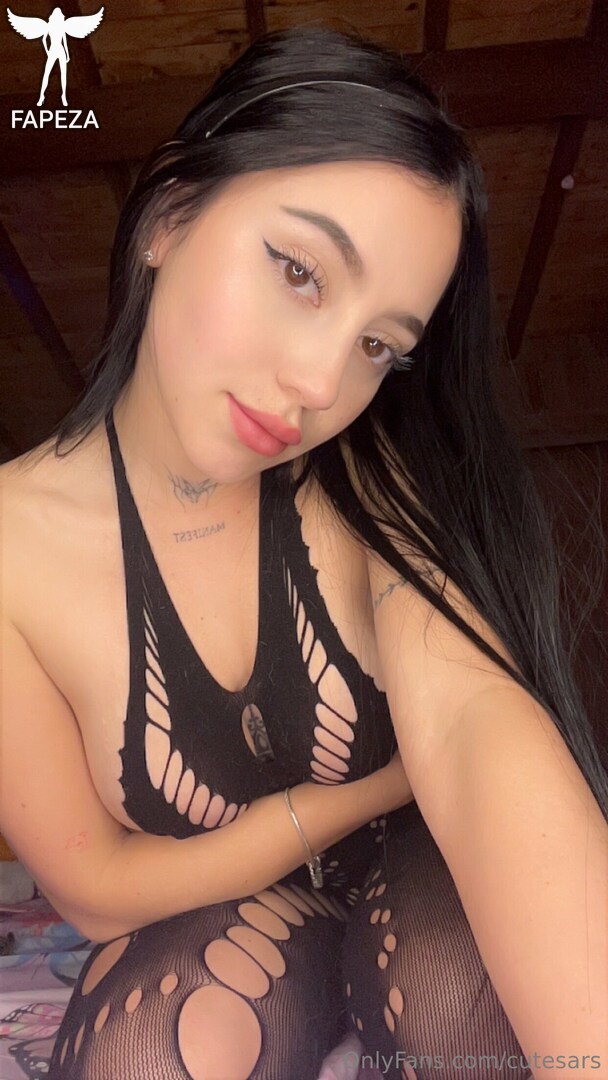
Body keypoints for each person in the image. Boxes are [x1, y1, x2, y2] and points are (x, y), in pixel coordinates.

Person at [1, 24, 606, 1080]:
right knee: (152, 1047)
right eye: (298, 270)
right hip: (227, 913)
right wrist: (363, 791)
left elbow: (472, 722)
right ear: (169, 214)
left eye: (379, 345)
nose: (324, 385)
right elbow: (93, 889)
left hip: (425, 877)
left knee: (463, 997)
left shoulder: (371, 476)